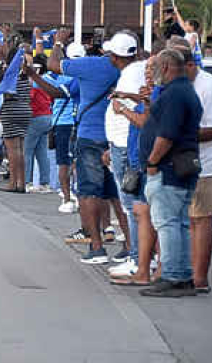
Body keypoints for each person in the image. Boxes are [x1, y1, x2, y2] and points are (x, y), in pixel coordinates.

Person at [49, 30, 134, 265]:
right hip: (121, 137)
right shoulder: (137, 69)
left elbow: (53, 64)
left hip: (90, 137)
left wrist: (58, 42)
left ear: (110, 52)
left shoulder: (93, 65)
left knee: (88, 192)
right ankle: (131, 245)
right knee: (120, 194)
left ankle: (96, 247)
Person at [138, 48, 203, 298]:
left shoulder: (175, 94)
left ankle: (173, 275)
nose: (151, 71)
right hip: (180, 167)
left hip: (168, 169)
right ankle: (182, 275)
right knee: (179, 223)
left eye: (154, 66)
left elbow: (167, 134)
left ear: (165, 67)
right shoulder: (185, 90)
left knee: (167, 223)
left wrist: (152, 161)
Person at [181, 41, 212, 294]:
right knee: (191, 219)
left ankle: (200, 278)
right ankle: (190, 273)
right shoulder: (186, 84)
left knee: (201, 218)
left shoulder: (209, 86)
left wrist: (180, 135)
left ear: (191, 65)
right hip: (188, 162)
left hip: (208, 164)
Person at [104, 42, 149, 265]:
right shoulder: (135, 73)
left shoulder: (133, 73)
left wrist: (122, 107)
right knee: (134, 205)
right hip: (124, 145)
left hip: (126, 148)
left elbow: (143, 118)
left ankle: (137, 258)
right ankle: (138, 256)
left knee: (133, 206)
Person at [30, 44, 83, 213]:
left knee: (63, 163)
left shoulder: (57, 76)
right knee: (78, 162)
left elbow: (37, 83)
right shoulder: (85, 76)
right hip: (81, 122)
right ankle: (78, 194)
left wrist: (57, 44)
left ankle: (67, 198)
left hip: (63, 124)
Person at [0, 47, 34, 193]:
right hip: (25, 110)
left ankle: (13, 183)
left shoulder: (10, 76)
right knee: (21, 150)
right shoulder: (26, 76)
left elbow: (5, 94)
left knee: (12, 151)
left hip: (11, 110)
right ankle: (22, 183)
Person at [23, 54, 53, 193]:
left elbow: (28, 99)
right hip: (47, 117)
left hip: (35, 118)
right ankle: (45, 183)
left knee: (27, 151)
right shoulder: (47, 80)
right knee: (42, 153)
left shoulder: (34, 83)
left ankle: (26, 182)